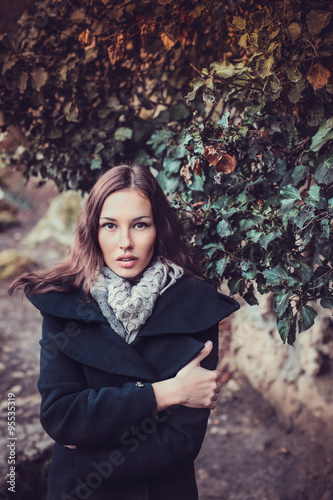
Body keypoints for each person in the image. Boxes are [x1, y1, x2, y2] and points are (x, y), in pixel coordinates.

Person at [10, 164, 239, 500]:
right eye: (110, 226)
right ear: (93, 230)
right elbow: (61, 417)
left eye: (140, 225)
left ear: (158, 229)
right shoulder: (63, 303)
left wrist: (83, 452)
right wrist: (167, 393)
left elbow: (181, 441)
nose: (125, 242)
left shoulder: (196, 306)